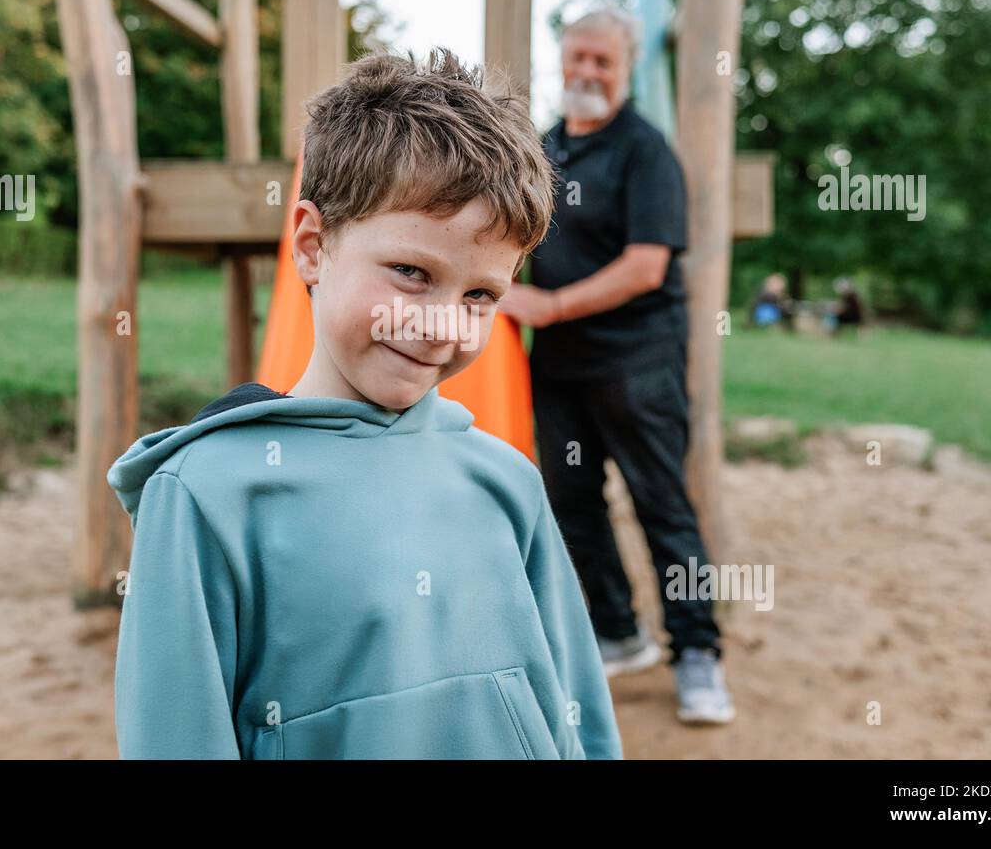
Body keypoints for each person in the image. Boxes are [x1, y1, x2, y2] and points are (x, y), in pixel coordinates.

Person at [107, 49, 623, 759]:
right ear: (312, 246)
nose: (443, 326)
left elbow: (578, 714)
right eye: (411, 272)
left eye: (480, 295)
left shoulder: (508, 481)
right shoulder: (204, 493)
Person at [499, 6, 734, 724]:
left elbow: (646, 264)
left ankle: (697, 653)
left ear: (627, 68)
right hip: (559, 366)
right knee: (570, 502)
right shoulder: (543, 148)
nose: (588, 71)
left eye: (603, 60)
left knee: (661, 504)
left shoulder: (646, 150)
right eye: (578, 57)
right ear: (561, 60)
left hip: (638, 359)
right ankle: (619, 631)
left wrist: (550, 305)